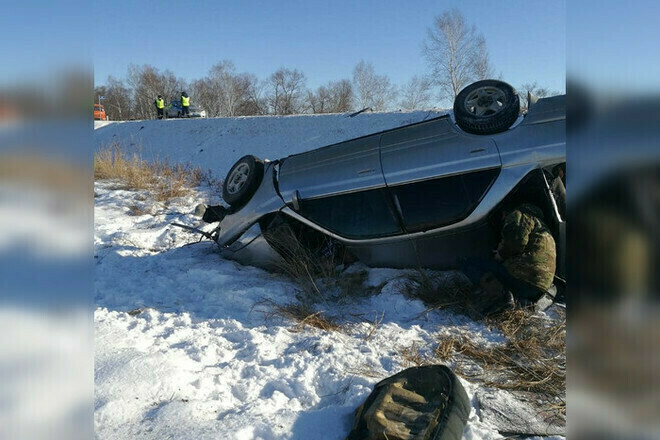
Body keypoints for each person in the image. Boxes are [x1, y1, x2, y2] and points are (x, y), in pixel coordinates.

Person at [462, 203, 557, 314]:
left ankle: (501, 297)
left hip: (523, 280)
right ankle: (520, 301)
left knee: (467, 263)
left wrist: (500, 255)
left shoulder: (519, 214)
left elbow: (515, 242)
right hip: (540, 287)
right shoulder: (542, 227)